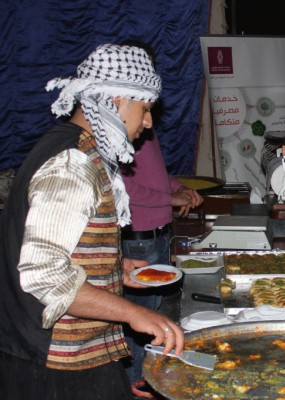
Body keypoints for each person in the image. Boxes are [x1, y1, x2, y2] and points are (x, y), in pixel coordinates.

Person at [0, 43, 184, 400]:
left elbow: (58, 245)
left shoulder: (75, 147)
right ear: (117, 100)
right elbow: (44, 274)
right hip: (54, 361)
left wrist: (112, 267)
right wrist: (134, 313)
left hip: (69, 353)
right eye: (145, 109)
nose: (148, 123)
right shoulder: (72, 163)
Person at [117, 41, 202, 399]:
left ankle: (146, 377)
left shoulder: (142, 120)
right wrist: (171, 198)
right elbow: (127, 189)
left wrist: (179, 188)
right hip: (139, 238)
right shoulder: (120, 124)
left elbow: (153, 176)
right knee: (142, 316)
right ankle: (138, 382)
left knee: (156, 310)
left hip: (158, 234)